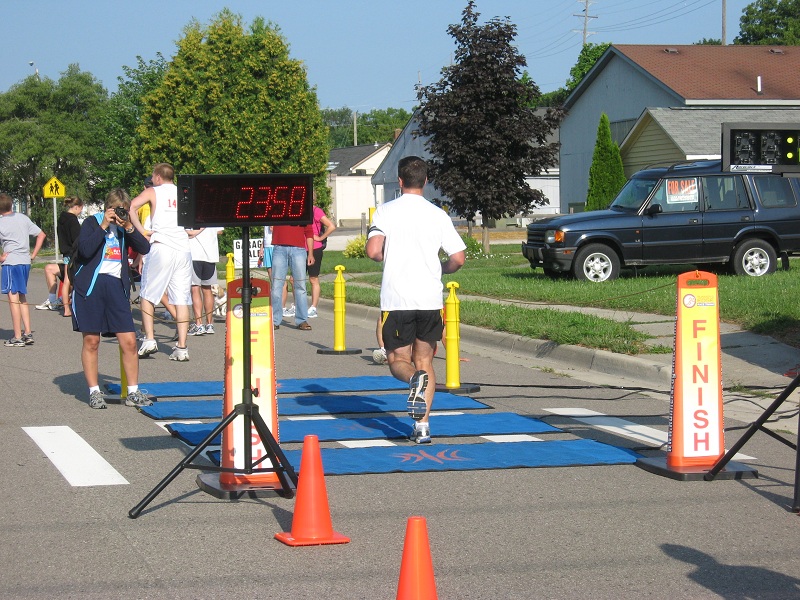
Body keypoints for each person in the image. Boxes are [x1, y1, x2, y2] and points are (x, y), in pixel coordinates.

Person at [366, 156, 466, 443]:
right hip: (429, 299)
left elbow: (373, 251)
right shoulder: (438, 214)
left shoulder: (385, 211)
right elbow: (458, 258)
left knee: (398, 358)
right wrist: (442, 268)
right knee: (425, 360)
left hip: (397, 299)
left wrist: (392, 259)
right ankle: (422, 427)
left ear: (399, 181)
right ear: (425, 180)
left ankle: (413, 381)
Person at [70, 188, 151, 409]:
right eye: (117, 210)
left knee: (129, 341)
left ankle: (133, 392)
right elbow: (85, 251)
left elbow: (145, 247)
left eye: (123, 211)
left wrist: (129, 227)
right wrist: (104, 225)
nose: (119, 214)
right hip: (91, 287)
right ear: (108, 207)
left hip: (116, 287)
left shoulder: (125, 227)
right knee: (92, 341)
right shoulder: (91, 222)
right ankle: (94, 391)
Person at [128, 163, 193, 361]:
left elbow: (131, 207)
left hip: (162, 245)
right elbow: (196, 222)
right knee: (181, 299)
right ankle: (182, 347)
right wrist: (191, 232)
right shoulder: (184, 192)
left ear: (157, 177)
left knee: (147, 294)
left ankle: (149, 339)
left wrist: (141, 230)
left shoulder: (154, 192)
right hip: (183, 248)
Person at [0, 193, 47, 347]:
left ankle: (17, 336)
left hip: (11, 263)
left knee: (13, 299)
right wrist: (33, 254)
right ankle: (27, 332)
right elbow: (41, 234)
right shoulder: (23, 218)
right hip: (25, 262)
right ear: (11, 205)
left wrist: (1, 258)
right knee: (22, 297)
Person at [36, 196, 83, 317]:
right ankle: (67, 309)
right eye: (81, 209)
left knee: (67, 280)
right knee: (68, 280)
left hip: (65, 253)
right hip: (73, 254)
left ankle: (57, 301)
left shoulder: (61, 219)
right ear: (76, 207)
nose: (80, 212)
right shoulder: (73, 221)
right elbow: (78, 240)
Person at [271, 222, 314, 331]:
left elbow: (309, 232)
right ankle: (275, 320)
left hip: (298, 249)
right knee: (276, 286)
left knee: (300, 286)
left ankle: (302, 320)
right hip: (279, 248)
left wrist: (310, 253)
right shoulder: (277, 206)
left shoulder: (302, 207)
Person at [188, 226, 223, 336]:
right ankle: (209, 324)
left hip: (195, 254)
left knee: (195, 289)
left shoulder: (190, 212)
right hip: (211, 254)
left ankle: (199, 324)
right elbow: (220, 231)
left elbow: (189, 232)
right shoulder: (213, 213)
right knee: (208, 290)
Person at [307, 202, 336, 318]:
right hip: (299, 247)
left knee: (313, 278)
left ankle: (313, 307)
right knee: (294, 279)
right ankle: (298, 305)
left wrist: (320, 238)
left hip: (315, 248)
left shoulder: (316, 211)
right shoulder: (298, 211)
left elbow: (331, 226)